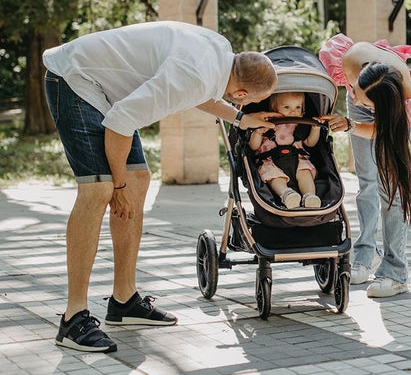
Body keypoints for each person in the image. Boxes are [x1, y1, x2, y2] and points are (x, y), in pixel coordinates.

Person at [43, 20, 279, 353]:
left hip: (109, 92)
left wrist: (240, 119)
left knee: (138, 181)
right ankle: (73, 318)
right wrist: (118, 185)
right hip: (75, 78)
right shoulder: (195, 75)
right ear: (241, 93)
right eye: (249, 103)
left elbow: (201, 94)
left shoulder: (221, 53)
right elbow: (122, 122)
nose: (246, 106)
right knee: (99, 190)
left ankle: (123, 301)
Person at [319, 33, 411, 298]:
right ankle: (366, 256)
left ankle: (396, 272)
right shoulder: (351, 62)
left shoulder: (409, 100)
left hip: (391, 103)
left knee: (391, 188)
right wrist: (350, 121)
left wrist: (357, 122)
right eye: (355, 92)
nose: (355, 101)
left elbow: (382, 130)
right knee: (367, 180)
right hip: (369, 86)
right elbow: (355, 102)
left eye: (365, 103)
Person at [249, 92, 322, 209]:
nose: (293, 112)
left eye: (298, 107)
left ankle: (309, 196)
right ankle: (287, 194)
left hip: (298, 160)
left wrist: (315, 130)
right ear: (274, 108)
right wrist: (257, 133)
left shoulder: (302, 124)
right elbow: (254, 146)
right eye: (287, 107)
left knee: (305, 173)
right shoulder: (266, 123)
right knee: (275, 177)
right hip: (271, 161)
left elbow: (310, 143)